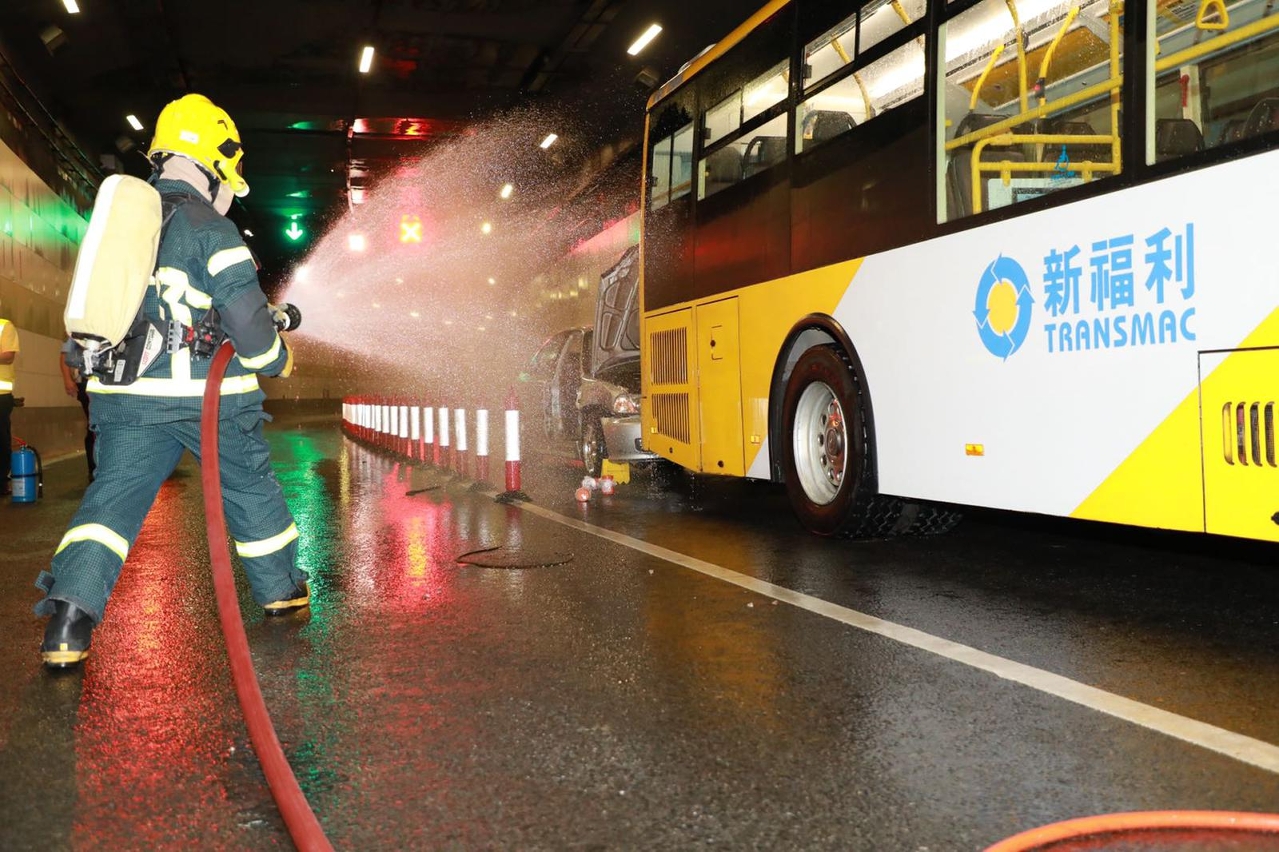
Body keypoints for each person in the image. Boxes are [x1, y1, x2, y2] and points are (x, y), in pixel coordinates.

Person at [35, 93, 309, 668]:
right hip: (210, 402)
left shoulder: (121, 227)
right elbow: (251, 333)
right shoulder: (213, 229)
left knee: (111, 503)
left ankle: (68, 621)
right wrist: (278, 357)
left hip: (124, 401)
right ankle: (281, 590)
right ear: (214, 160)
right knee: (249, 488)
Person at [59, 349, 94, 482]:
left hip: (110, 383)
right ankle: (94, 470)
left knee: (99, 427)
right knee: (93, 426)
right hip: (87, 383)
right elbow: (65, 353)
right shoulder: (76, 337)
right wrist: (68, 380)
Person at [0, 306, 17, 495]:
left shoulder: (4, 326)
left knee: (1, 439)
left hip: (1, 395)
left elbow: (8, 356)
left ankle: (2, 481)